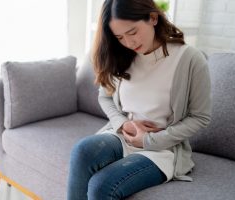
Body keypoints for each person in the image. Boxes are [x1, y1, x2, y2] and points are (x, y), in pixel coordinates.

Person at [67, 0, 212, 199]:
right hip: (122, 136)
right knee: (82, 151)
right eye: (119, 37)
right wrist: (122, 123)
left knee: (101, 186)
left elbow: (200, 117)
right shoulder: (122, 55)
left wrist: (148, 140)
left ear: (153, 18)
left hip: (162, 149)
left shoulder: (190, 59)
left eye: (133, 32)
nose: (129, 43)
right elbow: (105, 96)